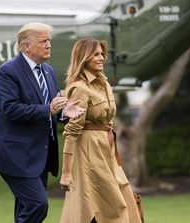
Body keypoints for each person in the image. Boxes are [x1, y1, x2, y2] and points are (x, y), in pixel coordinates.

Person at [0, 22, 85, 223]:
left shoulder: (47, 71)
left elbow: (51, 108)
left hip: (40, 154)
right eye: (43, 41)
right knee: (38, 204)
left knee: (26, 209)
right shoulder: (8, 71)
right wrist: (49, 109)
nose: (49, 45)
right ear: (25, 46)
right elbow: (10, 109)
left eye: (49, 41)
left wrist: (64, 112)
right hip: (15, 154)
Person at [59, 38, 142, 223]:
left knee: (122, 197)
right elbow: (72, 131)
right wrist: (66, 172)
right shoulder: (79, 88)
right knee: (108, 205)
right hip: (89, 150)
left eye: (102, 53)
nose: (101, 57)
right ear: (84, 58)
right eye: (95, 54)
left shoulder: (104, 84)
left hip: (108, 149)